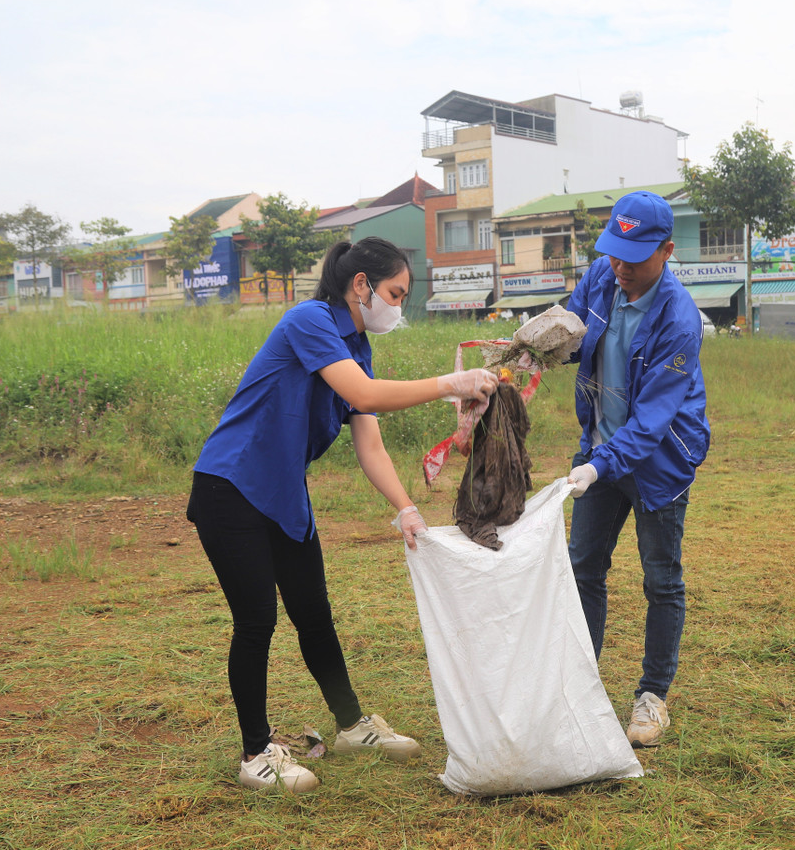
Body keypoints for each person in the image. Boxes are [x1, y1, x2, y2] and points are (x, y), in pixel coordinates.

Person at [186, 236, 499, 793]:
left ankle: (352, 725)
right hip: (230, 487)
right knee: (257, 618)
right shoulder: (309, 321)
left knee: (313, 610)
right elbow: (367, 395)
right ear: (361, 286)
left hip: (282, 492)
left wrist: (405, 507)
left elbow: (370, 443)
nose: (399, 306)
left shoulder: (356, 345)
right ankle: (256, 753)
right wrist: (452, 383)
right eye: (395, 293)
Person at [562, 191, 710, 748]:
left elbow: (650, 423)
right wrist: (529, 349)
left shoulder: (680, 321)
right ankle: (579, 686)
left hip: (659, 461)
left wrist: (598, 467)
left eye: (635, 256)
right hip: (599, 449)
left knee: (661, 578)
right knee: (583, 569)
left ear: (667, 251)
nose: (620, 267)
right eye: (613, 253)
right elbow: (570, 329)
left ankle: (652, 697)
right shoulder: (604, 275)